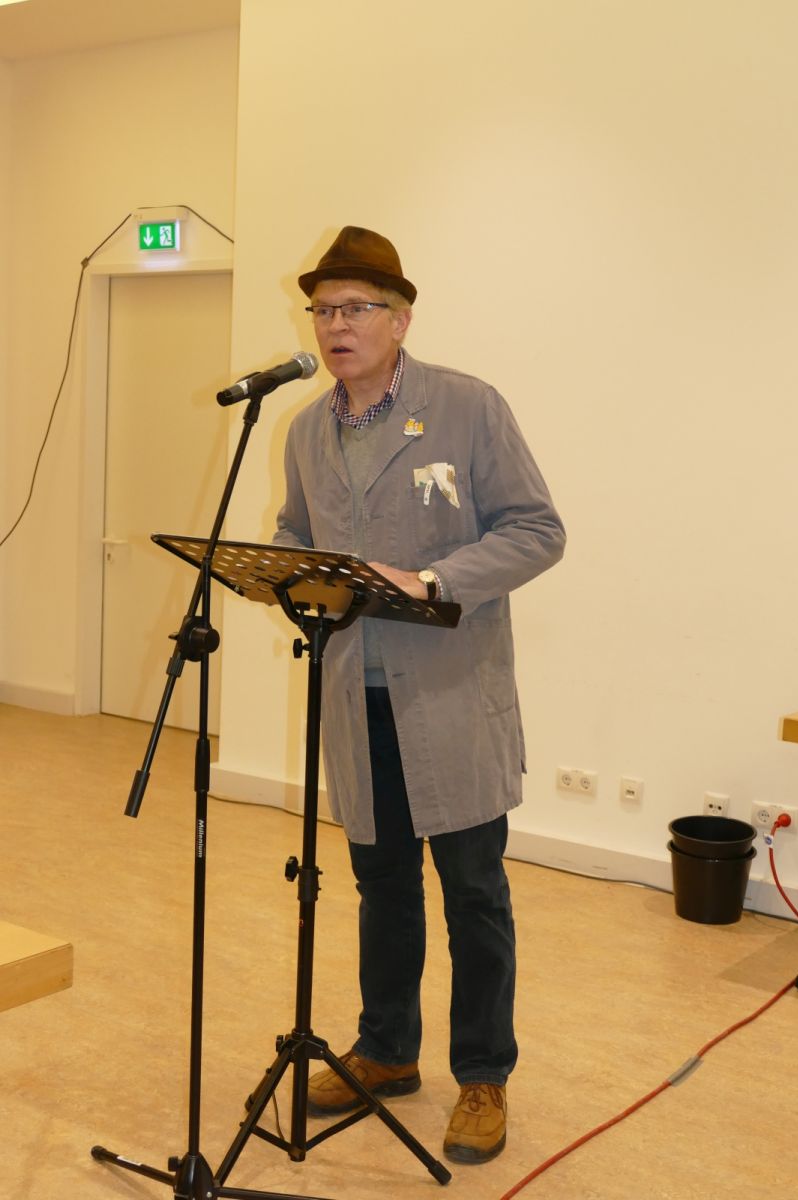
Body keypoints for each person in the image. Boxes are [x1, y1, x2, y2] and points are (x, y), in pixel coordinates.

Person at [271, 225, 565, 1165]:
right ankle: (389, 1050)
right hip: (354, 698)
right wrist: (288, 573)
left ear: (399, 320)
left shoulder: (468, 407)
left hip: (449, 694)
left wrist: (435, 581)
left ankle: (483, 1075)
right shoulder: (304, 429)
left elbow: (537, 530)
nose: (335, 325)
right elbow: (294, 530)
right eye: (323, 309)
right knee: (381, 885)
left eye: (356, 308)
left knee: (474, 892)